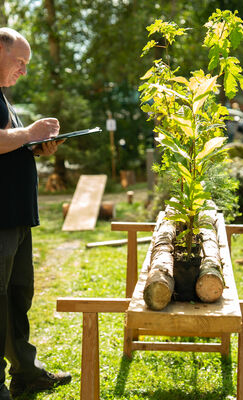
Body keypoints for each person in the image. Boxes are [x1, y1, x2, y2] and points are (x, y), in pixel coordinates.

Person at [0, 28, 70, 399]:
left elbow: (10, 144)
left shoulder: (4, 97)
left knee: (17, 296)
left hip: (17, 216)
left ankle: (25, 372)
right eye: (20, 62)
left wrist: (37, 147)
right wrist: (28, 133)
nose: (23, 71)